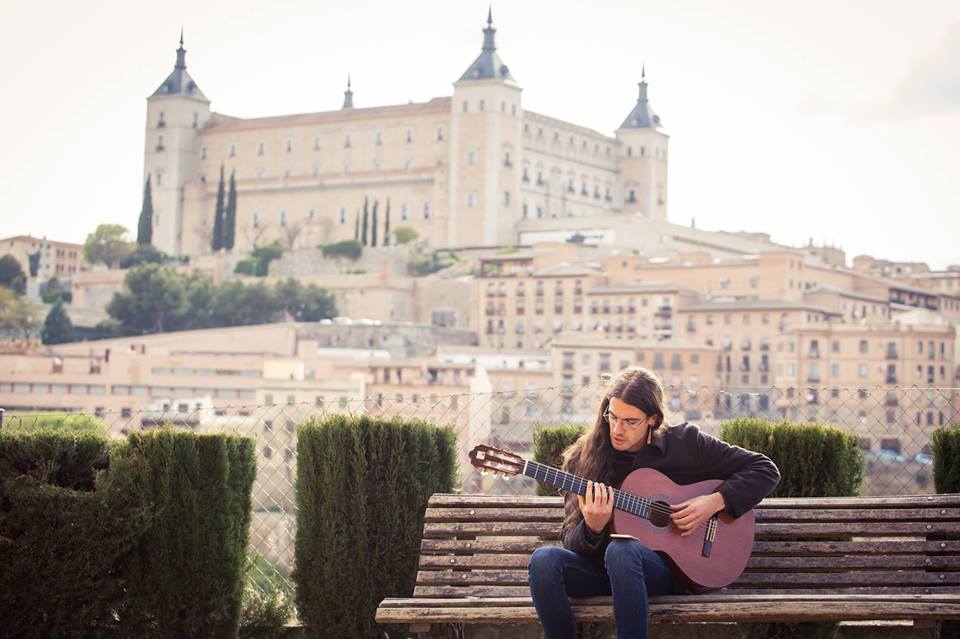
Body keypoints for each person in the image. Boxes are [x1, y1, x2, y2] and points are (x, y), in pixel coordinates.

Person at [528, 367, 780, 639]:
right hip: (604, 573)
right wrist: (592, 528)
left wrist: (714, 502)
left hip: (673, 572)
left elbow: (765, 469)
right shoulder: (586, 459)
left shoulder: (684, 443)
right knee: (544, 560)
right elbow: (570, 540)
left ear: (653, 419)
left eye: (629, 421)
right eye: (612, 417)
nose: (617, 429)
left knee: (622, 551)